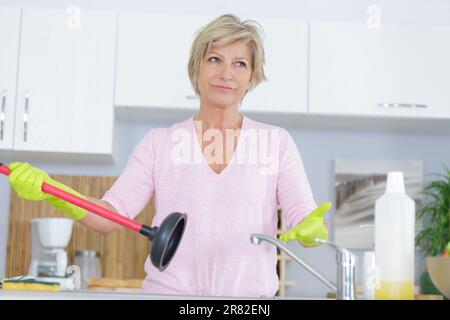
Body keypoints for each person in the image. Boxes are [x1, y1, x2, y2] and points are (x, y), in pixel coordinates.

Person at [7, 14, 330, 298]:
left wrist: (312, 229)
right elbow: (109, 217)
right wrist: (51, 190)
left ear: (252, 78)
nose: (226, 73)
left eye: (240, 63)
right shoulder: (159, 144)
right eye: (215, 59)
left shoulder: (276, 142)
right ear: (196, 68)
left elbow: (302, 214)